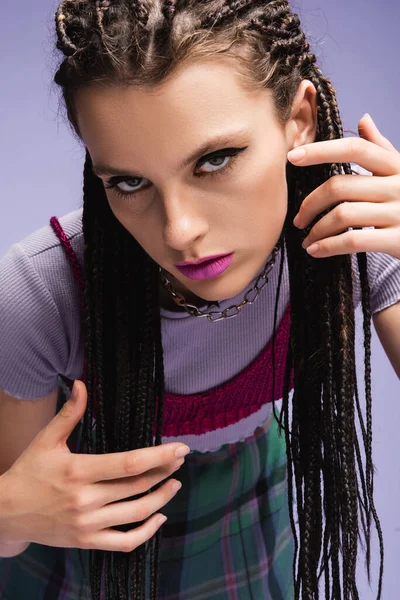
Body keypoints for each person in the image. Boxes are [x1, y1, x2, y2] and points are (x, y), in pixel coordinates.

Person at [1, 0, 400, 598]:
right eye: (129, 182)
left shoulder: (357, 231)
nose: (179, 231)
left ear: (301, 118)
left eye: (215, 160)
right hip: (77, 536)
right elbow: (20, 512)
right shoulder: (39, 293)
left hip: (248, 502)